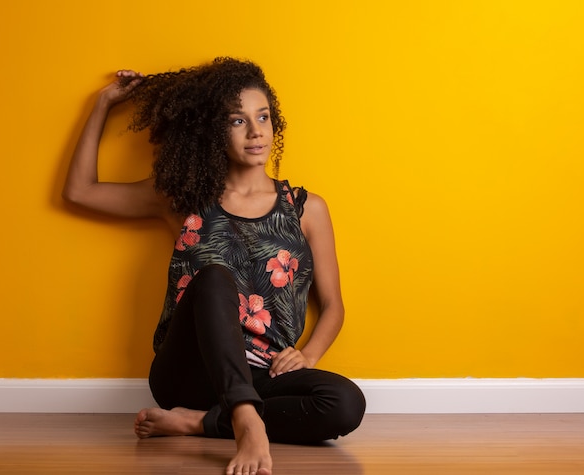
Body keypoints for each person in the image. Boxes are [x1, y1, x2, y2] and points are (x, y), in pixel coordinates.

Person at [63, 57, 366, 475]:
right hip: (188, 372)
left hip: (264, 369)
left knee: (347, 403)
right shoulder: (183, 198)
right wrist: (102, 104)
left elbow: (333, 306)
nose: (256, 131)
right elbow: (80, 191)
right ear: (213, 131)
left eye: (262, 117)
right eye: (237, 121)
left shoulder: (306, 209)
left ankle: (198, 422)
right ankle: (244, 421)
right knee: (212, 279)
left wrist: (307, 356)